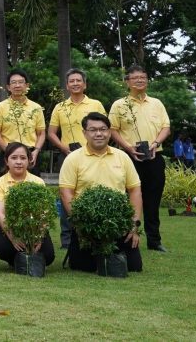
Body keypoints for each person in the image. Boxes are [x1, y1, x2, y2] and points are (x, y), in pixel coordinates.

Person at [58, 112, 144, 273]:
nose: (99, 134)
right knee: (84, 267)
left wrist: (134, 224)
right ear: (84, 133)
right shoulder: (73, 159)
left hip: (118, 223)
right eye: (93, 130)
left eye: (103, 129)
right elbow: (66, 193)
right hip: (87, 225)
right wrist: (80, 224)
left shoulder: (122, 157)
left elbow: (135, 191)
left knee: (133, 266)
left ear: (109, 132)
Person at [109, 64, 170, 253]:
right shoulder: (119, 105)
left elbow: (166, 127)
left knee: (153, 200)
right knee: (126, 198)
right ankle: (124, 237)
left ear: (147, 80)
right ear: (127, 82)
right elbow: (112, 129)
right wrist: (127, 147)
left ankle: (154, 240)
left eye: (143, 77)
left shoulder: (156, 103)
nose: (139, 81)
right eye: (135, 78)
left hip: (154, 156)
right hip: (128, 158)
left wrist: (155, 143)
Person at [47, 67, 106, 249]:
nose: (75, 83)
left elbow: (104, 129)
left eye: (78, 80)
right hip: (68, 157)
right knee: (67, 196)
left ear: (85, 84)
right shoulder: (60, 107)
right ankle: (67, 239)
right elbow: (51, 133)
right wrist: (65, 149)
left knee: (94, 192)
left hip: (94, 156)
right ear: (67, 85)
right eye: (71, 81)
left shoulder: (95, 104)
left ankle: (95, 235)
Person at [0, 143, 56, 270]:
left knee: (48, 256)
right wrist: (13, 237)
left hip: (34, 227)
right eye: (14, 158)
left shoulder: (38, 182)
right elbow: (0, 213)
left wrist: (39, 236)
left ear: (29, 160)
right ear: (6, 161)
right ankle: (16, 261)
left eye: (23, 158)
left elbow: (44, 212)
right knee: (3, 248)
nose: (19, 162)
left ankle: (24, 259)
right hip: (8, 227)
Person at [0, 69, 46, 172]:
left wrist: (36, 151)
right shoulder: (0, 107)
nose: (17, 85)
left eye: (21, 82)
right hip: (8, 153)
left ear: (27, 85)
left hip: (31, 154)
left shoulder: (36, 108)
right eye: (13, 82)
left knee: (33, 186)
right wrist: (8, 152)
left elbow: (41, 133)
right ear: (8, 87)